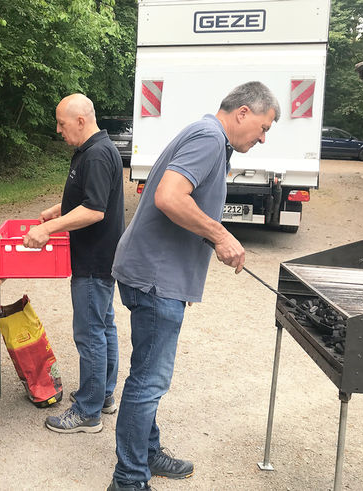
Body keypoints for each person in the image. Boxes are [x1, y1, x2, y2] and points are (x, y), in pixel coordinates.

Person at [107, 81, 280, 490]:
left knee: (147, 375)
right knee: (148, 381)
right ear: (243, 112)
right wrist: (220, 235)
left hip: (158, 275)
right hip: (155, 280)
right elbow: (169, 196)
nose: (263, 137)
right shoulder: (207, 137)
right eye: (263, 126)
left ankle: (147, 454)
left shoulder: (210, 138)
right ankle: (128, 479)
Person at [23, 94, 125, 433]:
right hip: (100, 257)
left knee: (90, 334)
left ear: (81, 120)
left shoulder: (96, 154)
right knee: (104, 327)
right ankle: (104, 395)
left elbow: (95, 209)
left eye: (62, 124)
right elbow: (88, 196)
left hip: (93, 260)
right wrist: (60, 208)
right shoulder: (94, 148)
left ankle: (88, 411)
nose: (58, 130)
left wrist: (48, 228)